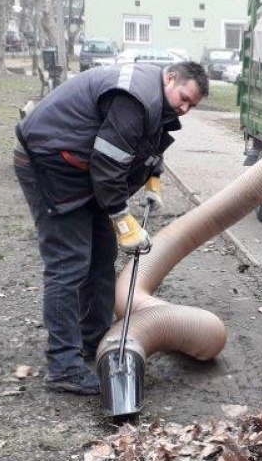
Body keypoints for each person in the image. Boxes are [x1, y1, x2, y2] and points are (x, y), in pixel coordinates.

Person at [13, 59, 209, 396]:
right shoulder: (136, 96)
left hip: (79, 169)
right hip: (51, 163)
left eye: (192, 105)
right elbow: (107, 162)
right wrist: (121, 219)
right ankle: (63, 366)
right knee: (69, 261)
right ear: (171, 77)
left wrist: (154, 178)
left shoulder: (156, 100)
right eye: (184, 98)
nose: (185, 108)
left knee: (102, 255)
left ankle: (93, 340)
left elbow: (146, 139)